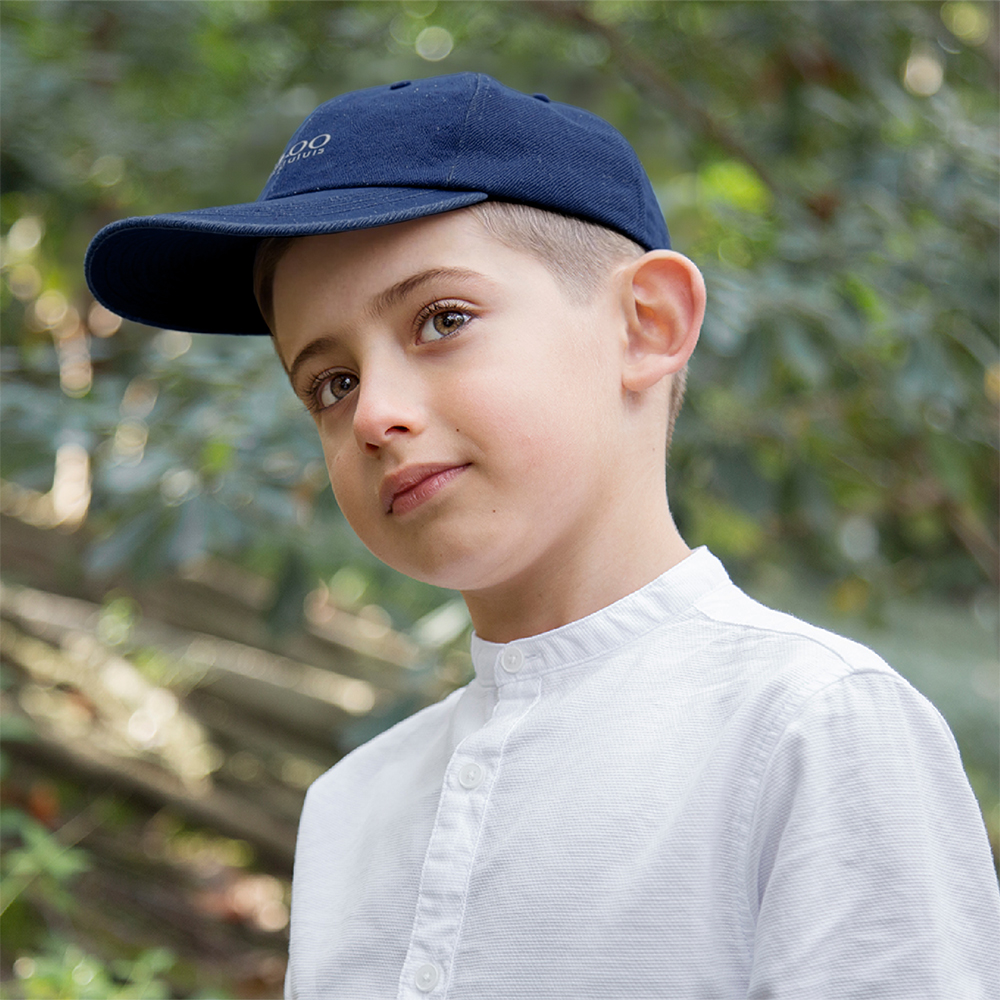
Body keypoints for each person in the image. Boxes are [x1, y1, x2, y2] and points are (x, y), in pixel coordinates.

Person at [86, 73, 998, 1000]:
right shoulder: (353, 806)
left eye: (442, 321)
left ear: (647, 324)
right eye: (330, 382)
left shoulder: (810, 724)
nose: (375, 416)